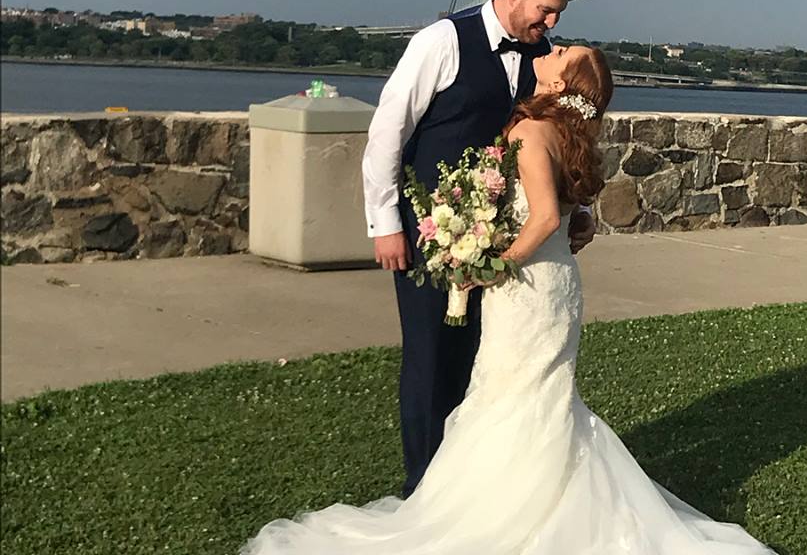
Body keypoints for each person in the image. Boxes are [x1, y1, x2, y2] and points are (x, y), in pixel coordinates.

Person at [242, 45, 776, 554]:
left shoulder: (531, 130)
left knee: (510, 396)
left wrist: (491, 266)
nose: (553, 51)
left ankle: (508, 516)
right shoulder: (566, 135)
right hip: (555, 286)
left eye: (562, 56)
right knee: (535, 398)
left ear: (560, 85)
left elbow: (542, 218)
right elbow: (565, 212)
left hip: (528, 289)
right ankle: (542, 504)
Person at [361, 0, 593, 498]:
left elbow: (562, 145)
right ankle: (422, 488)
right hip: (429, 231)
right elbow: (388, 131)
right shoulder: (441, 41)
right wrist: (385, 222)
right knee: (430, 356)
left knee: (482, 357)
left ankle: (471, 485)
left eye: (558, 13)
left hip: (503, 238)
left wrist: (578, 209)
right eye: (545, 9)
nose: (551, 23)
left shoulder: (545, 60)